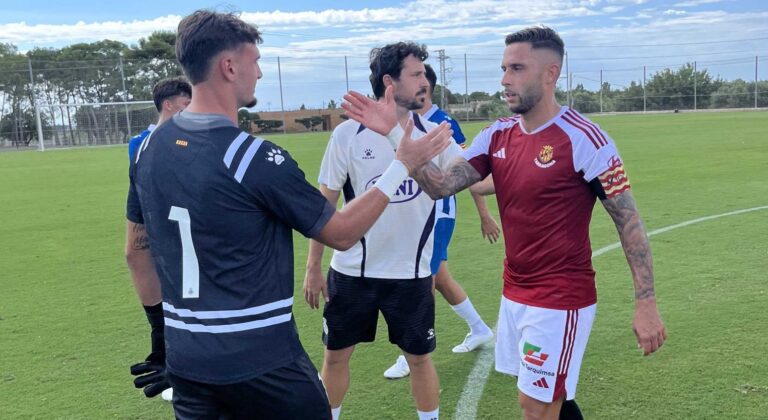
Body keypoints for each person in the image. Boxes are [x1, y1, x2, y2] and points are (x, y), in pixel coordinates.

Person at [126, 11, 453, 419]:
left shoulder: (145, 149)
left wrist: (160, 336)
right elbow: (342, 232)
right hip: (262, 360)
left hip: (186, 359)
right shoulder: (252, 157)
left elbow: (135, 252)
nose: (260, 73)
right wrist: (401, 165)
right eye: (255, 62)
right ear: (229, 67)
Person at [340, 26, 667, 420]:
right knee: (548, 400)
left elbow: (628, 221)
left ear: (551, 73)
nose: (504, 79)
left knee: (535, 406)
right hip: (514, 292)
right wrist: (394, 132)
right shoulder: (498, 134)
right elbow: (442, 186)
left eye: (516, 68)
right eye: (503, 68)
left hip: (561, 297)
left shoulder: (585, 139)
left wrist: (646, 303)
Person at [303, 42, 458, 420]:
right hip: (352, 271)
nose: (426, 80)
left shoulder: (435, 133)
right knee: (335, 356)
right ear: (390, 82)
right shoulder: (347, 136)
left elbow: (462, 181)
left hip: (411, 273)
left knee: (419, 360)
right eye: (417, 73)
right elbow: (324, 205)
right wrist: (313, 266)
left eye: (425, 73)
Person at [382, 64, 498, 380]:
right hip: (414, 215)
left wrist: (485, 213)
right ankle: (479, 329)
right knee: (440, 277)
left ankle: (411, 351)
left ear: (425, 86)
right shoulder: (400, 120)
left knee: (424, 280)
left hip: (437, 213)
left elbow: (465, 173)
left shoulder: (442, 123)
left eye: (417, 78)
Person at [125, 76, 191, 402]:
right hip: (163, 233)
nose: (192, 111)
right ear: (168, 105)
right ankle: (167, 348)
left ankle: (182, 364)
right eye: (186, 105)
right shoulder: (140, 145)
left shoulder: (195, 138)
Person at [127, 77, 192, 160]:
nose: (191, 109)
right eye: (187, 104)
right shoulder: (139, 142)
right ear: (168, 105)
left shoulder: (191, 139)